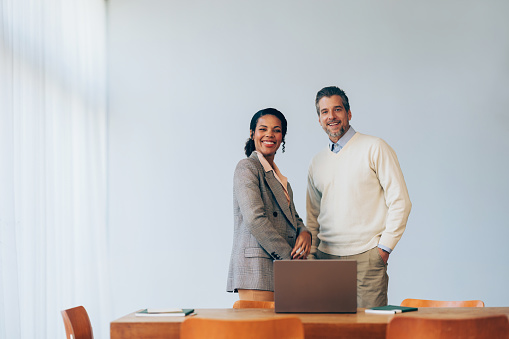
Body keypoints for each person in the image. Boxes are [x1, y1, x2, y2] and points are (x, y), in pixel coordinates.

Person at [306, 86, 412, 308]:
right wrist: (312, 257)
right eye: (325, 112)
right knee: (328, 331)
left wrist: (384, 249)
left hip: (367, 258)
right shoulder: (317, 162)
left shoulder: (375, 148)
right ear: (319, 119)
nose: (331, 116)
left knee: (370, 331)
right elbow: (313, 215)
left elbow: (400, 201)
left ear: (349, 113)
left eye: (337, 109)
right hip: (325, 259)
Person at [227, 108, 312, 302]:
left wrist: (305, 233)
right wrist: (290, 260)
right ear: (252, 134)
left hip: (281, 270)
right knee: (261, 332)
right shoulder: (247, 167)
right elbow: (255, 219)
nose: (270, 135)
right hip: (258, 270)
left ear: (282, 137)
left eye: (276, 130)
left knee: (282, 332)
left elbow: (294, 218)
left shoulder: (281, 179)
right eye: (263, 129)